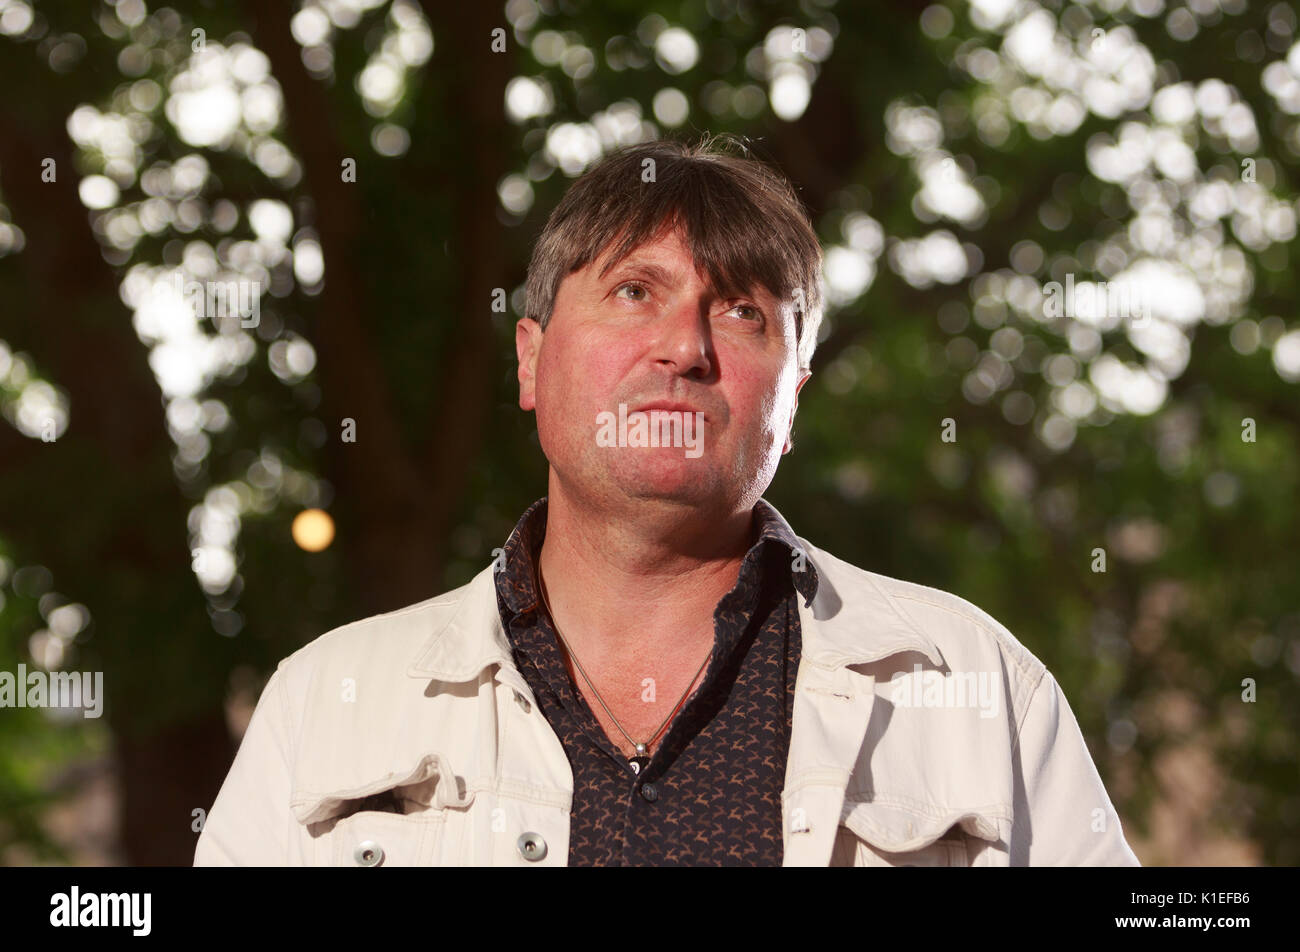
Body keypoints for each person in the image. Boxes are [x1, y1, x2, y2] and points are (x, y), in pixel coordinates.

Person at [194, 135, 1140, 866]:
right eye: (636, 290)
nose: (684, 347)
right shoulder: (323, 704)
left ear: (793, 395)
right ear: (530, 359)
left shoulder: (975, 691)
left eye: (742, 311)